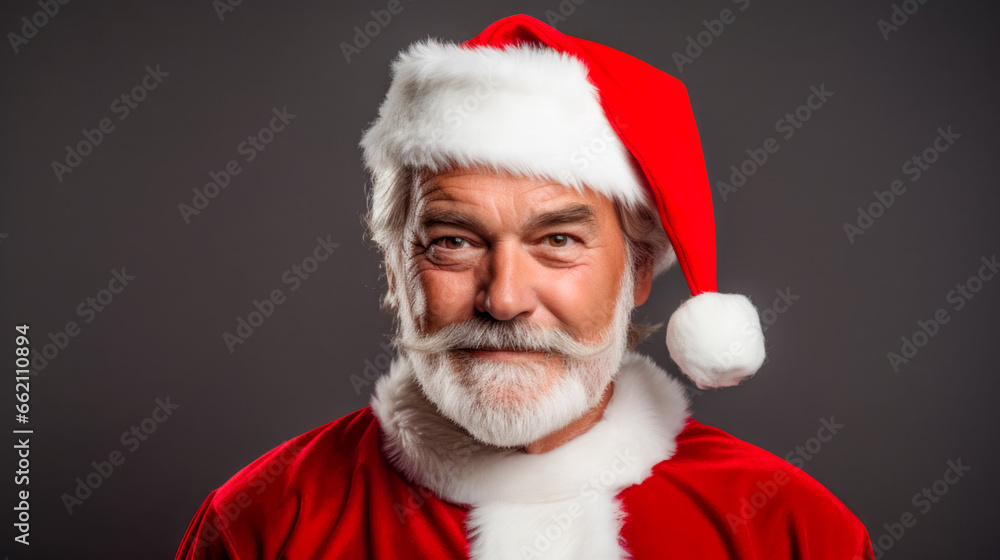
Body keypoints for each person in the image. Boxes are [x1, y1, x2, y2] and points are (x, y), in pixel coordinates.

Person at [174, 14, 874, 559]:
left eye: (558, 241)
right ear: (395, 270)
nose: (503, 298)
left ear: (636, 272)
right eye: (453, 242)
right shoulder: (263, 521)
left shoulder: (793, 529)